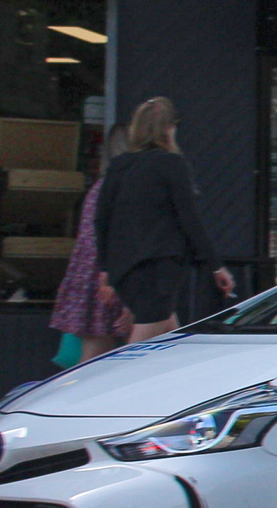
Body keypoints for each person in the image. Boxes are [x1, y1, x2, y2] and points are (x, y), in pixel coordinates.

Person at [94, 96, 232, 342]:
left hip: (124, 267)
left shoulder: (118, 166)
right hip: (160, 264)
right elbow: (190, 219)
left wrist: (105, 268)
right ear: (169, 129)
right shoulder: (171, 164)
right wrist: (216, 266)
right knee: (144, 341)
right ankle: (123, 380)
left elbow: (101, 218)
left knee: (168, 332)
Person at [48, 124, 131, 364]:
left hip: (88, 276)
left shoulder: (99, 187)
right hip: (110, 276)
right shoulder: (123, 188)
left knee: (94, 356)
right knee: (99, 359)